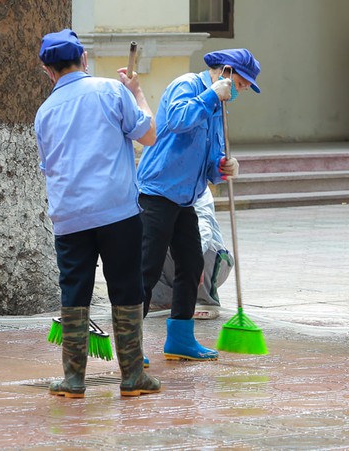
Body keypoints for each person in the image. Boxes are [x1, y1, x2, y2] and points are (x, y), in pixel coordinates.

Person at [34, 29, 160, 398]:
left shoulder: (45, 112)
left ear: (47, 70)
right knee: (126, 286)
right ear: (84, 58)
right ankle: (133, 376)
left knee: (74, 290)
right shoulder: (111, 90)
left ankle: (73, 380)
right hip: (116, 210)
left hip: (69, 215)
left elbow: (49, 165)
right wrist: (137, 92)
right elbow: (148, 135)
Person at [138, 48, 260, 361]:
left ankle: (180, 338)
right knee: (146, 269)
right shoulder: (187, 85)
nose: (240, 91)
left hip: (185, 199)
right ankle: (130, 342)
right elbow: (178, 120)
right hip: (157, 192)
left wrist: (224, 166)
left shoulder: (218, 108)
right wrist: (210, 96)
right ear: (227, 72)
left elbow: (210, 163)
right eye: (242, 84)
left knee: (192, 266)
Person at [150, 186, 233, 320]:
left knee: (198, 244)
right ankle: (163, 300)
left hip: (210, 263)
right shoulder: (150, 187)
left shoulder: (196, 187)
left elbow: (204, 224)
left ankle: (205, 301)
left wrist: (194, 258)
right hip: (171, 265)